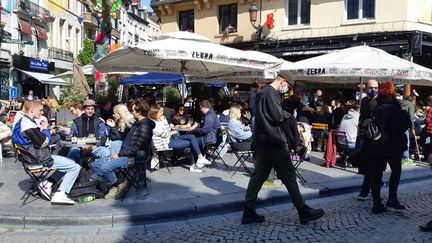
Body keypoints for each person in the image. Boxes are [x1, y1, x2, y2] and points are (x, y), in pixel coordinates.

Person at [242, 74, 324, 225]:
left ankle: (248, 211)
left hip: (265, 141)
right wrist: (290, 114)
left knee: (259, 176)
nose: (286, 89)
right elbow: (277, 116)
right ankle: (302, 210)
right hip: (274, 141)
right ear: (283, 81)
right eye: (287, 86)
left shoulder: (264, 93)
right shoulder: (270, 94)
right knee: (289, 176)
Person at [12, 100, 80, 205]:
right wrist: (46, 129)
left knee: (67, 164)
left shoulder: (21, 122)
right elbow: (44, 142)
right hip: (37, 160)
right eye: (40, 110)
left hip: (30, 159)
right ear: (31, 110)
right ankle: (61, 194)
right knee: (75, 167)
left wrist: (47, 131)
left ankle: (47, 184)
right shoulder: (28, 125)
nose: (42, 112)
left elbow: (35, 140)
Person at [363, 82, 411, 214]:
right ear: (392, 92)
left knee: (376, 174)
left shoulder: (376, 107)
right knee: (396, 171)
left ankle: (377, 204)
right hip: (393, 146)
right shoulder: (395, 107)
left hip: (376, 146)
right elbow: (407, 123)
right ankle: (392, 198)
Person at [92, 99, 155, 199]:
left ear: (139, 111)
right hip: (124, 153)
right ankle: (119, 183)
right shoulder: (137, 124)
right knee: (95, 164)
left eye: (133, 110)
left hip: (131, 157)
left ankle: (116, 184)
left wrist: (119, 155)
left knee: (104, 168)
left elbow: (137, 148)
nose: (131, 112)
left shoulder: (145, 126)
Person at [149, 105, 211, 172]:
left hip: (170, 139)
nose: (162, 113)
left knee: (192, 137)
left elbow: (168, 129)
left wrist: (164, 120)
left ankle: (200, 158)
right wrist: (172, 132)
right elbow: (165, 134)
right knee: (192, 142)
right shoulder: (154, 124)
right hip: (166, 143)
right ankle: (195, 164)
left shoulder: (159, 120)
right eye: (160, 112)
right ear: (155, 113)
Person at [61, 99, 109, 163]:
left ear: (94, 110)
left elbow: (103, 137)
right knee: (73, 154)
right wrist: (67, 133)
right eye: (88, 109)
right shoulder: (77, 121)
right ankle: (75, 171)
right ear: (84, 109)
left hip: (94, 147)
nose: (90, 111)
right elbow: (72, 135)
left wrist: (94, 146)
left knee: (106, 152)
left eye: (92, 109)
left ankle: (101, 170)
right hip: (79, 147)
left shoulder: (99, 122)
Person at [357, 79, 379, 201]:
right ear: (366, 89)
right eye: (370, 88)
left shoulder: (380, 101)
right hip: (365, 135)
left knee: (371, 165)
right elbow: (362, 116)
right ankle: (377, 183)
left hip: (376, 137)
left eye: (375, 87)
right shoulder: (364, 101)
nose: (373, 90)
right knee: (368, 164)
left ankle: (365, 191)